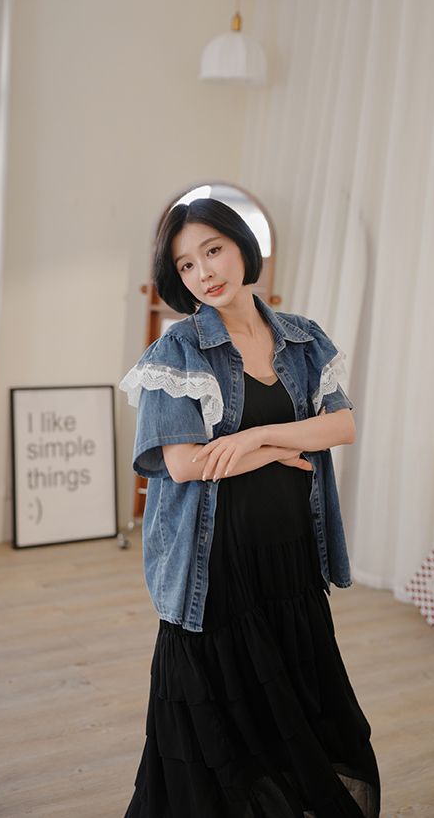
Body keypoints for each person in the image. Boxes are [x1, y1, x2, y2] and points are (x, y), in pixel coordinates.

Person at [119, 198, 381, 817]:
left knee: (301, 712)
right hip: (215, 569)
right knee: (219, 734)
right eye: (186, 265)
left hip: (291, 557)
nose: (204, 273)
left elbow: (341, 426)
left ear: (241, 247)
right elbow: (184, 464)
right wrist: (277, 450)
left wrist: (254, 437)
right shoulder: (177, 351)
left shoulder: (303, 338)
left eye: (213, 250)